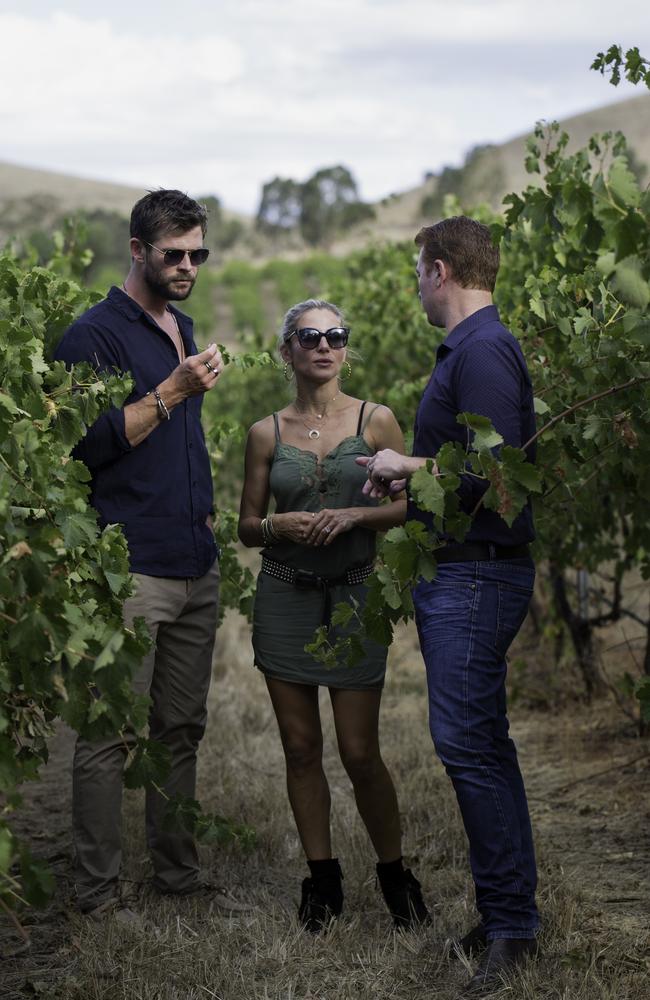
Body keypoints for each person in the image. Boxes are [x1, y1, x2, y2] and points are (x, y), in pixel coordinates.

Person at [358, 217, 539, 996]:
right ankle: (507, 916)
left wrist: (407, 460)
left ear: (440, 269)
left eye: (415, 271)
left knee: (468, 747)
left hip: (476, 576)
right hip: (464, 573)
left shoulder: (485, 350)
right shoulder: (474, 349)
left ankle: (512, 929)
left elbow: (495, 474)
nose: (413, 286)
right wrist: (407, 477)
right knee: (481, 746)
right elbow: (461, 470)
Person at [54, 189, 227, 920]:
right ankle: (95, 895)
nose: (187, 266)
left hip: (194, 561)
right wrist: (172, 390)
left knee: (180, 728)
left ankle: (176, 875)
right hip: (128, 566)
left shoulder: (180, 325)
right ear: (136, 251)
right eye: (173, 255)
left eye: (198, 253)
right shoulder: (90, 334)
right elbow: (88, 444)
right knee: (107, 733)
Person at [238, 299, 430, 932]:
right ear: (287, 350)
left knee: (359, 751)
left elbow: (412, 507)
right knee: (299, 747)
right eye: (309, 336)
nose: (324, 345)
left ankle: (395, 874)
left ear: (347, 348)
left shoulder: (378, 421)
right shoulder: (265, 431)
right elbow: (247, 527)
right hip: (284, 593)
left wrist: (356, 516)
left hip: (354, 596)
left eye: (335, 335)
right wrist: (277, 524)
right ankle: (322, 881)